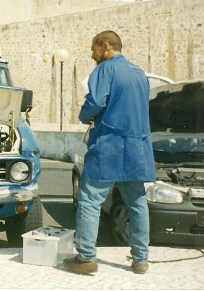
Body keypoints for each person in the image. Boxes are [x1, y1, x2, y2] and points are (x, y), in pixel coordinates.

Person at [64, 30, 155, 275]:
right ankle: (140, 260)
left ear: (105, 46)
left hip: (109, 145)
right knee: (137, 203)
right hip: (137, 147)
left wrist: (84, 116)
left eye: (93, 49)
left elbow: (96, 101)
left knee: (90, 200)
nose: (91, 55)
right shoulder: (139, 74)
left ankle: (85, 258)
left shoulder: (105, 69)